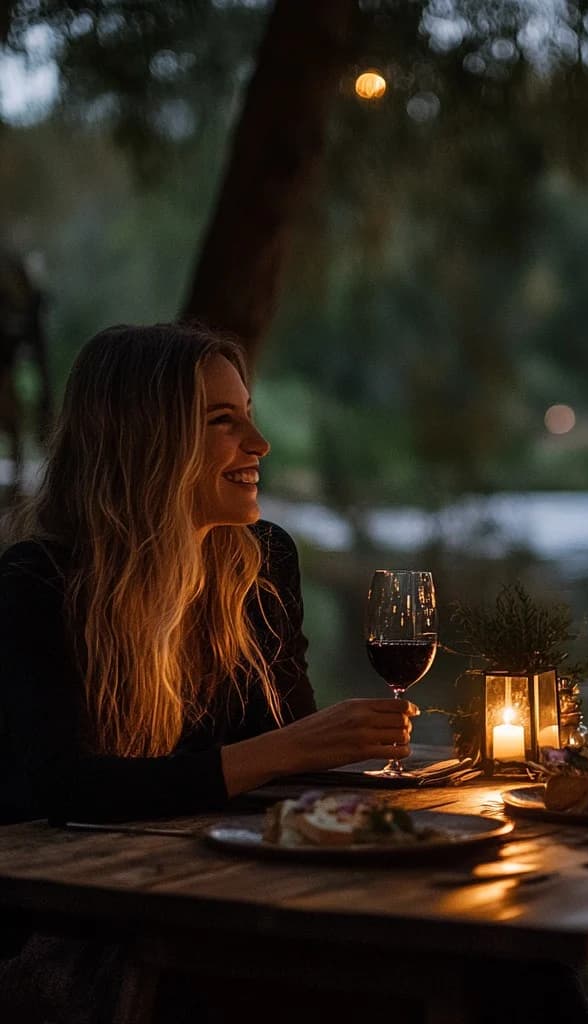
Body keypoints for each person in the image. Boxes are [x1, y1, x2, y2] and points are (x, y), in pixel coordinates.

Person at [0, 321, 418, 1020]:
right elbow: (61, 786)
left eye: (249, 416)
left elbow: (283, 752)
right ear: (146, 441)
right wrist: (282, 752)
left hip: (214, 896)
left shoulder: (258, 563)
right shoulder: (36, 585)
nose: (259, 445)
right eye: (224, 423)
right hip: (69, 934)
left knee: (500, 963)